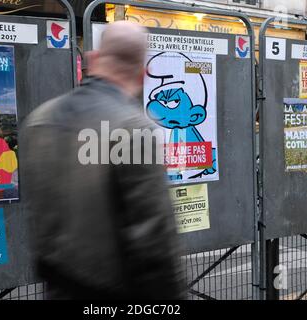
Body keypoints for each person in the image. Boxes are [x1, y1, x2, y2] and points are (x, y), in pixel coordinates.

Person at [20, 21, 185, 300]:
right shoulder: (133, 129)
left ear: (93, 60)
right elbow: (154, 242)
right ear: (143, 74)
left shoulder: (40, 120)